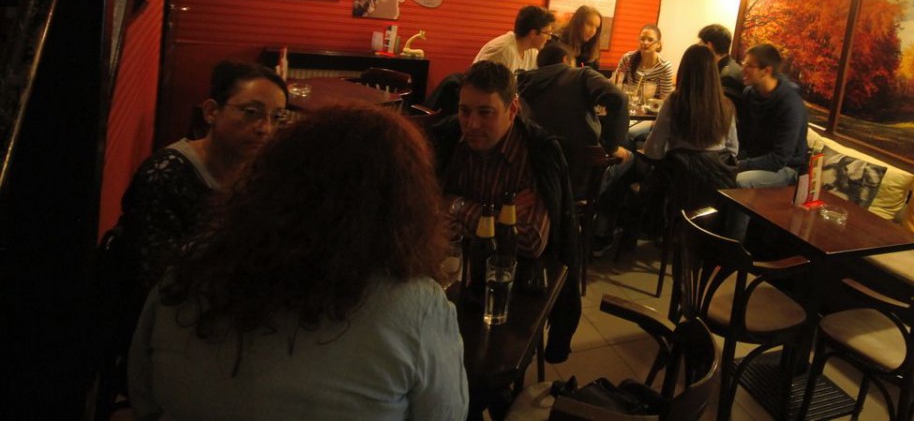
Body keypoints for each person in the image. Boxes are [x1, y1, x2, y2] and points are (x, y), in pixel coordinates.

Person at [127, 105, 469, 421]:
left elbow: (143, 397)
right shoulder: (416, 306)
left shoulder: (187, 270)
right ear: (403, 205)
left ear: (268, 178)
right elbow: (445, 416)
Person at [111, 61, 288, 337]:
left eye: (277, 117)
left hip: (228, 311)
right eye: (251, 113)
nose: (265, 128)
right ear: (211, 111)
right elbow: (153, 275)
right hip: (168, 320)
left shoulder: (260, 174)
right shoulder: (167, 173)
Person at [430, 61, 580, 364]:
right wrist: (499, 215)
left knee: (486, 367)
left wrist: (457, 205)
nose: (472, 124)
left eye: (485, 112)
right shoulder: (446, 139)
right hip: (444, 285)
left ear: (512, 110)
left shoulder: (536, 152)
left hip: (507, 293)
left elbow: (530, 240)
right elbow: (427, 217)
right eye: (464, 111)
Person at [518, 41, 631, 195]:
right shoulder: (580, 75)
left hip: (536, 175)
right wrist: (612, 146)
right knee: (629, 158)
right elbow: (619, 98)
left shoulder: (525, 83)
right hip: (579, 176)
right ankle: (603, 208)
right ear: (566, 60)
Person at [643, 44, 738, 163]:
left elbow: (653, 150)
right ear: (714, 72)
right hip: (714, 172)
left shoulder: (674, 101)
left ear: (684, 70)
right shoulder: (725, 105)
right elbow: (733, 150)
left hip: (678, 171)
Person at [735, 43, 811, 188]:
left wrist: (740, 165)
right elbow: (742, 136)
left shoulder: (790, 104)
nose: (742, 69)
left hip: (786, 168)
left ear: (766, 70)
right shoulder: (749, 94)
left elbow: (779, 158)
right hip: (756, 159)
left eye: (749, 66)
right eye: (743, 63)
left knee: (741, 179)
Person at [473, 5, 556, 73]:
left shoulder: (532, 51)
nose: (549, 38)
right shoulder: (502, 52)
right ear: (533, 33)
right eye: (547, 33)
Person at [612, 23, 674, 101]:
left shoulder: (664, 67)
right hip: (629, 104)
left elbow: (665, 99)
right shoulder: (628, 58)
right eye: (642, 39)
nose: (645, 43)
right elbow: (616, 82)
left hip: (651, 107)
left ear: (658, 44)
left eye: (650, 40)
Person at [556, 5, 603, 70]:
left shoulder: (590, 49)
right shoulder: (559, 45)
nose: (593, 31)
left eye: (596, 27)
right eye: (589, 24)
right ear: (578, 23)